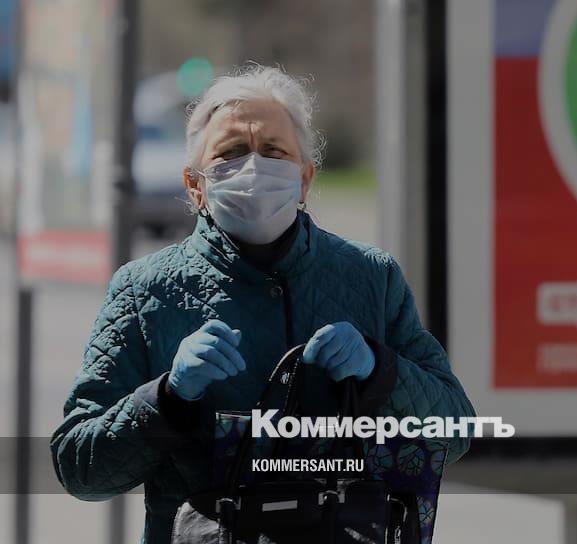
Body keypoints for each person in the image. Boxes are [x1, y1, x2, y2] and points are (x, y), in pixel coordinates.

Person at [50, 64, 476, 543]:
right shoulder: (144, 290)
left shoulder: (371, 277)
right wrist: (168, 397)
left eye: (274, 151)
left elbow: (456, 431)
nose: (253, 168)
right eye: (231, 153)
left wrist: (381, 372)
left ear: (305, 178)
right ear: (194, 184)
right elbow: (80, 469)